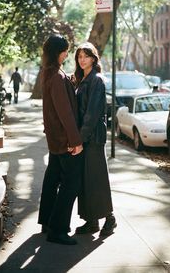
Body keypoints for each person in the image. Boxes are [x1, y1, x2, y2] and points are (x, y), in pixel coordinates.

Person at [37, 35, 83, 246]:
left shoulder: (49, 73)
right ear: (58, 52)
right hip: (64, 140)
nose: (67, 53)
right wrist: (76, 140)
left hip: (54, 139)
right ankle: (57, 229)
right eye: (65, 50)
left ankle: (47, 221)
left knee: (51, 179)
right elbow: (65, 112)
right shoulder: (56, 76)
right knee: (71, 183)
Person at [73, 42, 117, 236]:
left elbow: (91, 114)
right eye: (79, 56)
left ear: (93, 58)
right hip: (85, 137)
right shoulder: (83, 79)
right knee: (85, 180)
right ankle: (92, 221)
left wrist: (80, 139)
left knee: (97, 179)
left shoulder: (96, 80)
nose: (82, 59)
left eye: (86, 56)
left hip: (93, 139)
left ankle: (110, 218)